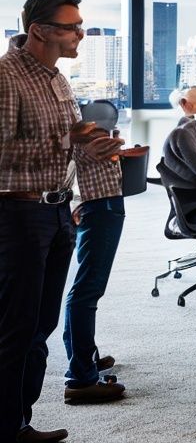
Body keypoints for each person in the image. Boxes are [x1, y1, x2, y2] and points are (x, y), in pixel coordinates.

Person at [0, 0, 123, 443]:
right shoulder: (7, 77)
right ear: (39, 30)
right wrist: (66, 139)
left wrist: (96, 145)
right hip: (17, 215)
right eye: (72, 26)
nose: (81, 34)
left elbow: (66, 143)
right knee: (13, 331)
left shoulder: (57, 80)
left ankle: (19, 425)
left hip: (55, 213)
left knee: (39, 329)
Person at [62, 124, 128, 405]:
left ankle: (85, 358)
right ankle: (81, 377)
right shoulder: (66, 137)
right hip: (100, 206)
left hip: (97, 204)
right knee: (87, 290)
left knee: (85, 289)